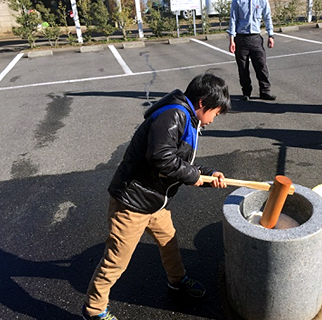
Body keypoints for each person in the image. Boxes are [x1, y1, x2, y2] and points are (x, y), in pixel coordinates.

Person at [81, 73, 231, 320]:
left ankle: (177, 281)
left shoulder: (188, 117)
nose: (214, 120)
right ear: (203, 103)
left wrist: (208, 174)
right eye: (216, 112)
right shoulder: (173, 115)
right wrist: (193, 175)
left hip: (154, 200)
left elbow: (180, 161)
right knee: (116, 260)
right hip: (131, 202)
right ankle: (94, 310)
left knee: (169, 241)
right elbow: (161, 158)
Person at [228, 0, 276, 101]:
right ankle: (246, 92)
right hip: (241, 38)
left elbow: (267, 17)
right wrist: (232, 39)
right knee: (243, 68)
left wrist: (270, 35)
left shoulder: (262, 1)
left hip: (255, 38)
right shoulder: (237, 1)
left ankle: (265, 91)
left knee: (261, 65)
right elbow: (233, 19)